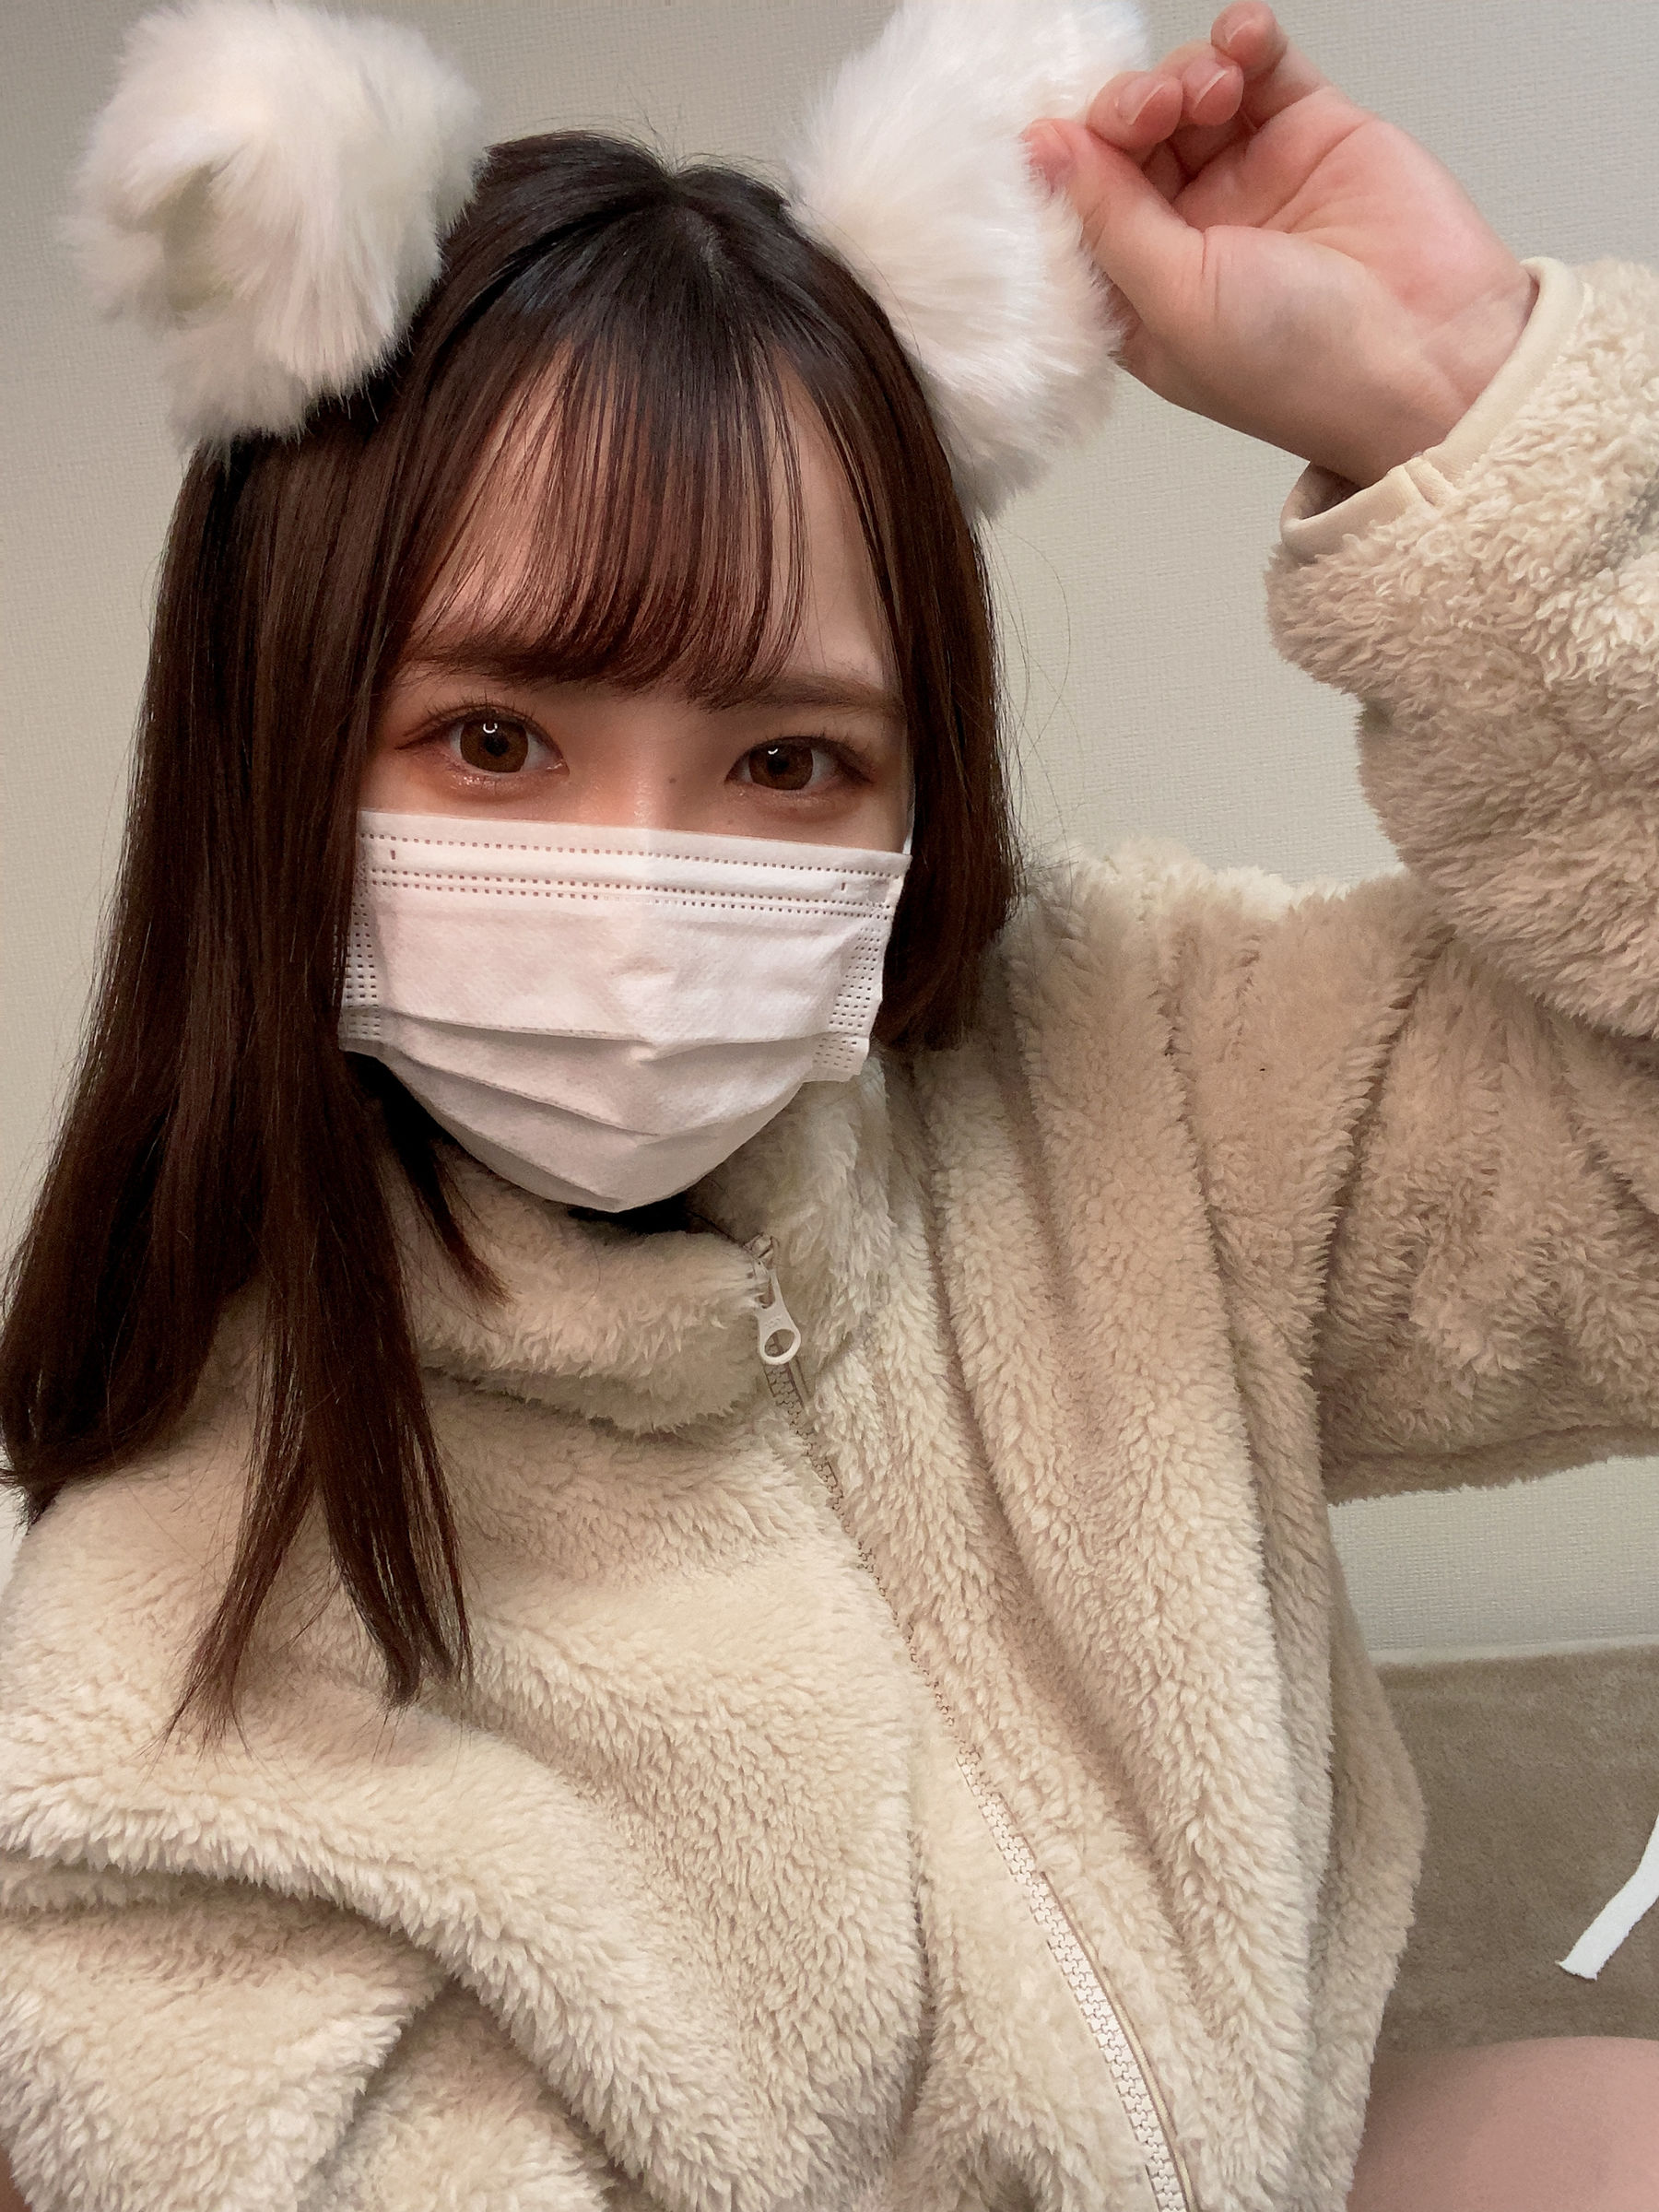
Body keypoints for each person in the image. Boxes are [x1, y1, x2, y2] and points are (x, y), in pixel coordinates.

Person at [2, 1, 1657, 2206]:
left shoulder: (1145, 1075)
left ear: (915, 783)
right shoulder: (155, 1686)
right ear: (277, 743)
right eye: (496, 738)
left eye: (789, 759)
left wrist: (1468, 420)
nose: (637, 893)